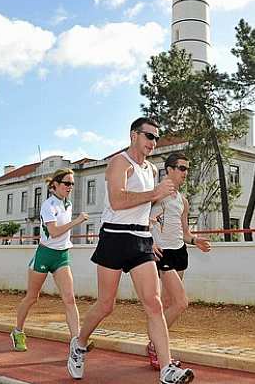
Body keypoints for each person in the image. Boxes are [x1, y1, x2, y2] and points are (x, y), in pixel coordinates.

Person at [68, 117, 195, 384]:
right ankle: (78, 344)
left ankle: (166, 369)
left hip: (140, 240)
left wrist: (152, 229)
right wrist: (153, 194)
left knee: (154, 303)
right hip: (114, 237)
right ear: (133, 135)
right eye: (149, 136)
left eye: (156, 138)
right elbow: (117, 199)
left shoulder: (149, 169)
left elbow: (145, 208)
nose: (153, 142)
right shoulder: (119, 162)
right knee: (106, 305)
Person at [10, 168, 88, 353]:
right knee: (32, 297)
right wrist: (77, 222)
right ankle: (18, 331)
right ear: (55, 186)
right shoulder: (48, 205)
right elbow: (53, 232)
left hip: (62, 256)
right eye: (67, 183)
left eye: (72, 184)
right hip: (45, 255)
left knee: (70, 299)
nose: (70, 187)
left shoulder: (67, 204)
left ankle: (76, 343)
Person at [146, 153, 211, 370]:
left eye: (187, 169)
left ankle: (157, 345)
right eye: (182, 168)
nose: (185, 173)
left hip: (180, 252)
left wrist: (195, 240)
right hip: (162, 254)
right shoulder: (155, 195)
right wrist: (148, 238)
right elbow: (139, 218)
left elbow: (184, 232)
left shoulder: (182, 201)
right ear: (169, 169)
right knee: (181, 302)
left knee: (167, 304)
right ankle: (156, 346)